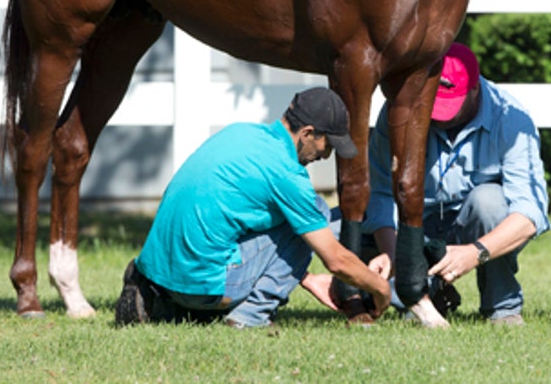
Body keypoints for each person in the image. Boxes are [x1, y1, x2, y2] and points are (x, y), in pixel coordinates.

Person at [114, 87, 391, 328]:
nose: (326, 155)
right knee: (316, 210)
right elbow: (336, 261)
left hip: (159, 270)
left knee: (292, 216)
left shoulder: (240, 133)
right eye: (327, 145)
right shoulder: (286, 173)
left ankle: (164, 302)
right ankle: (251, 314)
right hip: (207, 285)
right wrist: (380, 289)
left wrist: (305, 278)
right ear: (307, 134)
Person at [344, 42, 551, 326]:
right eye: (433, 104)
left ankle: (502, 307)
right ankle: (412, 294)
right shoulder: (400, 112)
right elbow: (381, 194)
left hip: (472, 227)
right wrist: (398, 255)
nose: (437, 116)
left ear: (475, 88)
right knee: (331, 227)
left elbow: (532, 213)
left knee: (489, 201)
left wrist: (475, 252)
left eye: (449, 106)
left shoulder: (513, 120)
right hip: (413, 227)